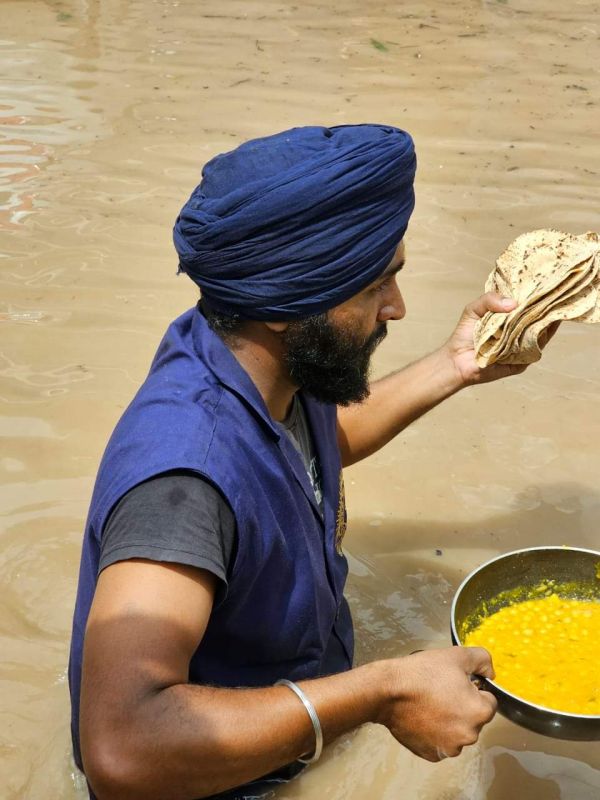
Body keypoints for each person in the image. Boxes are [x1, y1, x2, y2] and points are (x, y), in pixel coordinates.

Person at [68, 124, 532, 800]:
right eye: (377, 286)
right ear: (286, 304)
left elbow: (317, 445)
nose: (398, 308)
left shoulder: (259, 358)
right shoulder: (183, 484)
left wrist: (456, 365)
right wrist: (382, 691)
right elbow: (122, 749)